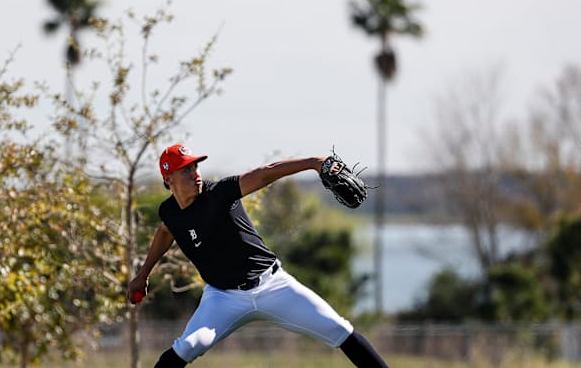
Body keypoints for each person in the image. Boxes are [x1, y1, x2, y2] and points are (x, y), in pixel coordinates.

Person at [127, 144, 389, 368]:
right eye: (186, 169)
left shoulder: (219, 193)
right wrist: (142, 274)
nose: (195, 173)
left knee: (339, 329)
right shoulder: (170, 211)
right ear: (168, 179)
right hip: (222, 297)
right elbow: (165, 232)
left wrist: (314, 163)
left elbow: (264, 175)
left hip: (272, 285)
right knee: (187, 347)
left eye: (195, 167)